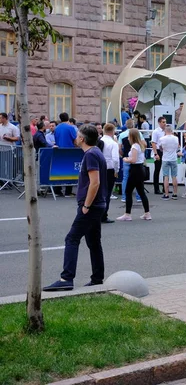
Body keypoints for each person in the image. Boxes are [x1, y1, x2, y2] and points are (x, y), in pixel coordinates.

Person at [43, 124, 107, 291]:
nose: (75, 137)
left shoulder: (91, 155)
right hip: (97, 205)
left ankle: (66, 278)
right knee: (93, 242)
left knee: (71, 239)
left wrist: (86, 205)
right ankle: (97, 278)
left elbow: (95, 182)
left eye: (78, 135)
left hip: (91, 206)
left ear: (82, 139)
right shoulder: (94, 152)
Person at [117, 129, 151, 221]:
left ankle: (127, 214)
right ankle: (147, 213)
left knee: (128, 191)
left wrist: (126, 159)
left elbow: (133, 160)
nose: (128, 138)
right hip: (140, 169)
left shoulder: (134, 146)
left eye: (129, 136)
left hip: (135, 169)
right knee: (141, 191)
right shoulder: (140, 145)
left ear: (132, 137)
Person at [54, 112, 78, 197]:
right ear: (68, 118)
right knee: (70, 171)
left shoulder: (57, 128)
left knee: (59, 170)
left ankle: (57, 190)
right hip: (69, 151)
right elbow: (75, 140)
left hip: (59, 151)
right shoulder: (70, 128)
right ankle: (68, 191)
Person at [118, 119, 142, 203]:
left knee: (125, 177)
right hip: (136, 159)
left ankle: (124, 196)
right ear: (133, 125)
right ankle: (139, 196)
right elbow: (144, 144)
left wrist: (122, 155)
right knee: (137, 178)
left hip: (126, 158)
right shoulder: (138, 133)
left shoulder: (121, 135)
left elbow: (119, 148)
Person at [100, 123, 119, 223]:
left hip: (100, 167)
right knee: (107, 193)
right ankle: (104, 214)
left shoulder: (100, 141)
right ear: (113, 131)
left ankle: (98, 213)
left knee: (100, 191)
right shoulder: (113, 143)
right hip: (110, 168)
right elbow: (115, 159)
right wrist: (117, 170)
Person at [159, 125, 181, 200]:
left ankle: (166, 194)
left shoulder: (162, 139)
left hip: (165, 158)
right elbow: (177, 146)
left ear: (165, 131)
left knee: (166, 177)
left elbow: (160, 148)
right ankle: (175, 194)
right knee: (174, 176)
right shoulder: (176, 138)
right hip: (173, 158)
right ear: (171, 131)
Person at [151, 116, 166, 195]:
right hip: (158, 151)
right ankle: (156, 188)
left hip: (165, 151)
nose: (164, 123)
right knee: (157, 170)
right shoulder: (156, 131)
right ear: (159, 123)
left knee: (165, 170)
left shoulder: (165, 131)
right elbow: (153, 143)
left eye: (165, 122)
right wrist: (155, 153)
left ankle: (165, 187)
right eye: (163, 122)